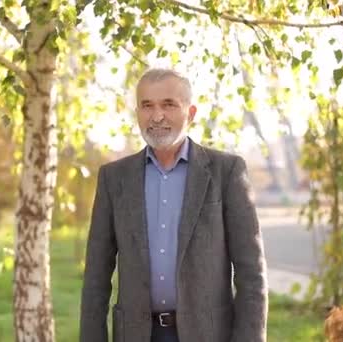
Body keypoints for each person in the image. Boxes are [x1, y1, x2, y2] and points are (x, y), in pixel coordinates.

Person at [79, 68, 268, 342]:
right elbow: (96, 276)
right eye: (147, 106)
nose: (157, 116)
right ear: (138, 113)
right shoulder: (114, 178)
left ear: (190, 113)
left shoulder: (226, 172)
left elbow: (252, 275)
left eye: (168, 104)